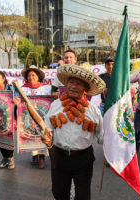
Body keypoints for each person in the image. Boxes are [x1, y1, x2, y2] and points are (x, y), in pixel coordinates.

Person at [43, 63, 105, 200]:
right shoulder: (55, 105)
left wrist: (115, 135)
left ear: (86, 89)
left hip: (83, 158)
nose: (73, 86)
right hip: (59, 156)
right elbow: (48, 129)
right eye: (71, 82)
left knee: (83, 196)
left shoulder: (93, 111)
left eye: (78, 83)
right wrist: (46, 137)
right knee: (59, 192)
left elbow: (101, 137)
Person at [21, 65, 51, 169]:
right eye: (29, 75)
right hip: (28, 116)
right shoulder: (23, 89)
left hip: (42, 116)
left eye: (33, 75)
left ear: (38, 76)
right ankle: (34, 155)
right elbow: (18, 99)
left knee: (42, 134)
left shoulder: (46, 87)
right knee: (31, 133)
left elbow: (51, 99)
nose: (31, 77)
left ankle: (41, 156)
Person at [0, 71, 19, 169]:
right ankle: (4, 158)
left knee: (7, 138)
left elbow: (18, 101)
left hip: (9, 118)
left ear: (3, 79)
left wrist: (15, 100)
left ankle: (10, 158)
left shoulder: (10, 88)